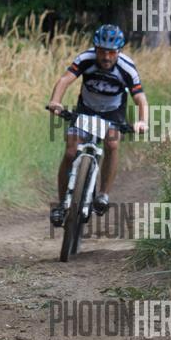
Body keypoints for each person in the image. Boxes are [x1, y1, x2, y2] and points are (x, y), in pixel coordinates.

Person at [48, 24, 148, 226]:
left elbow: (140, 98)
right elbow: (65, 80)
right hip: (86, 109)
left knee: (112, 144)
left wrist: (142, 121)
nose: (106, 57)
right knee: (70, 151)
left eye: (111, 52)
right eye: (102, 51)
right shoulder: (86, 58)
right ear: (96, 49)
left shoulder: (127, 68)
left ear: (119, 51)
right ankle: (62, 203)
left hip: (113, 113)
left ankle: (103, 194)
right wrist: (55, 102)